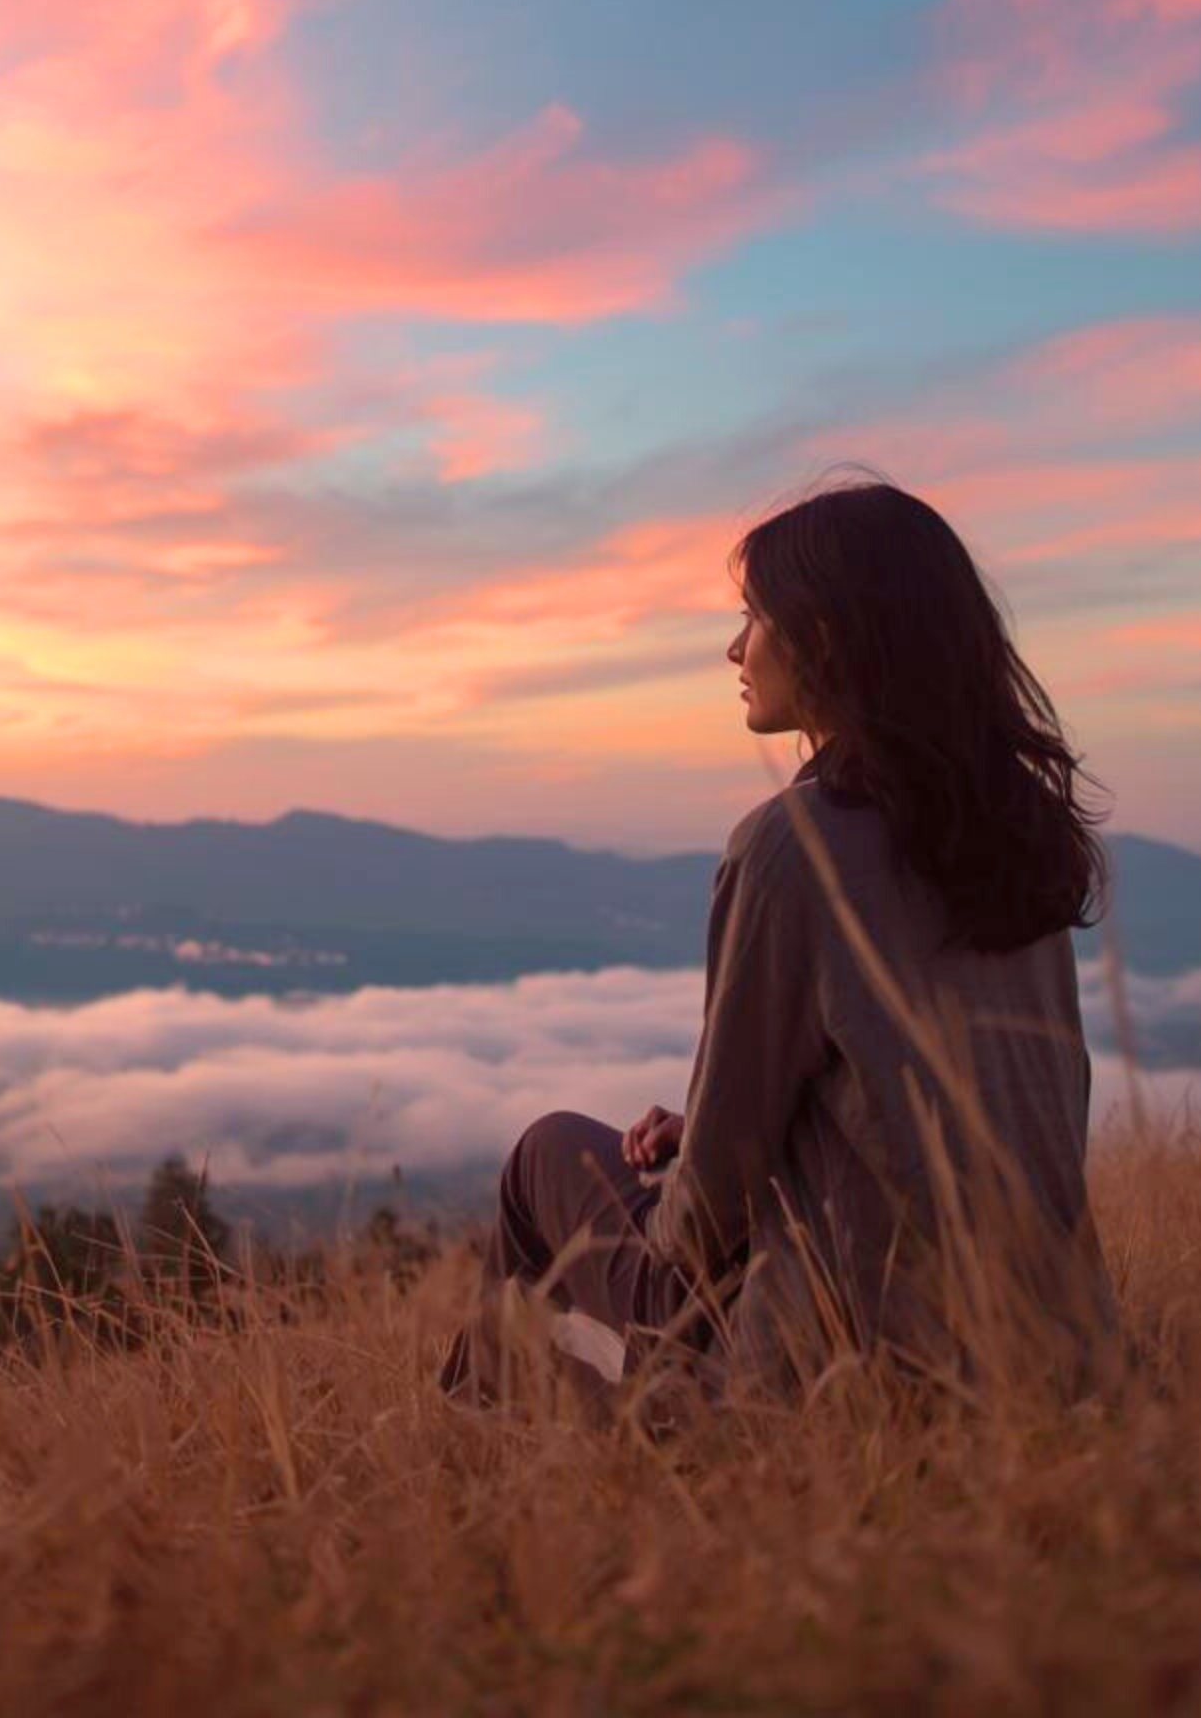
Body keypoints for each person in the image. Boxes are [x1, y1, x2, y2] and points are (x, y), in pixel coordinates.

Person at [438, 473, 1119, 1410]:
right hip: (1055, 1353)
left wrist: (702, 1155)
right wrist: (745, 1139)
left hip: (850, 1376)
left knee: (545, 1157)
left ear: (824, 638)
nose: (734, 648)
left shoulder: (796, 848)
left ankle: (517, 1454)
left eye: (753, 616)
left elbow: (701, 1217)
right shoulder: (1016, 832)